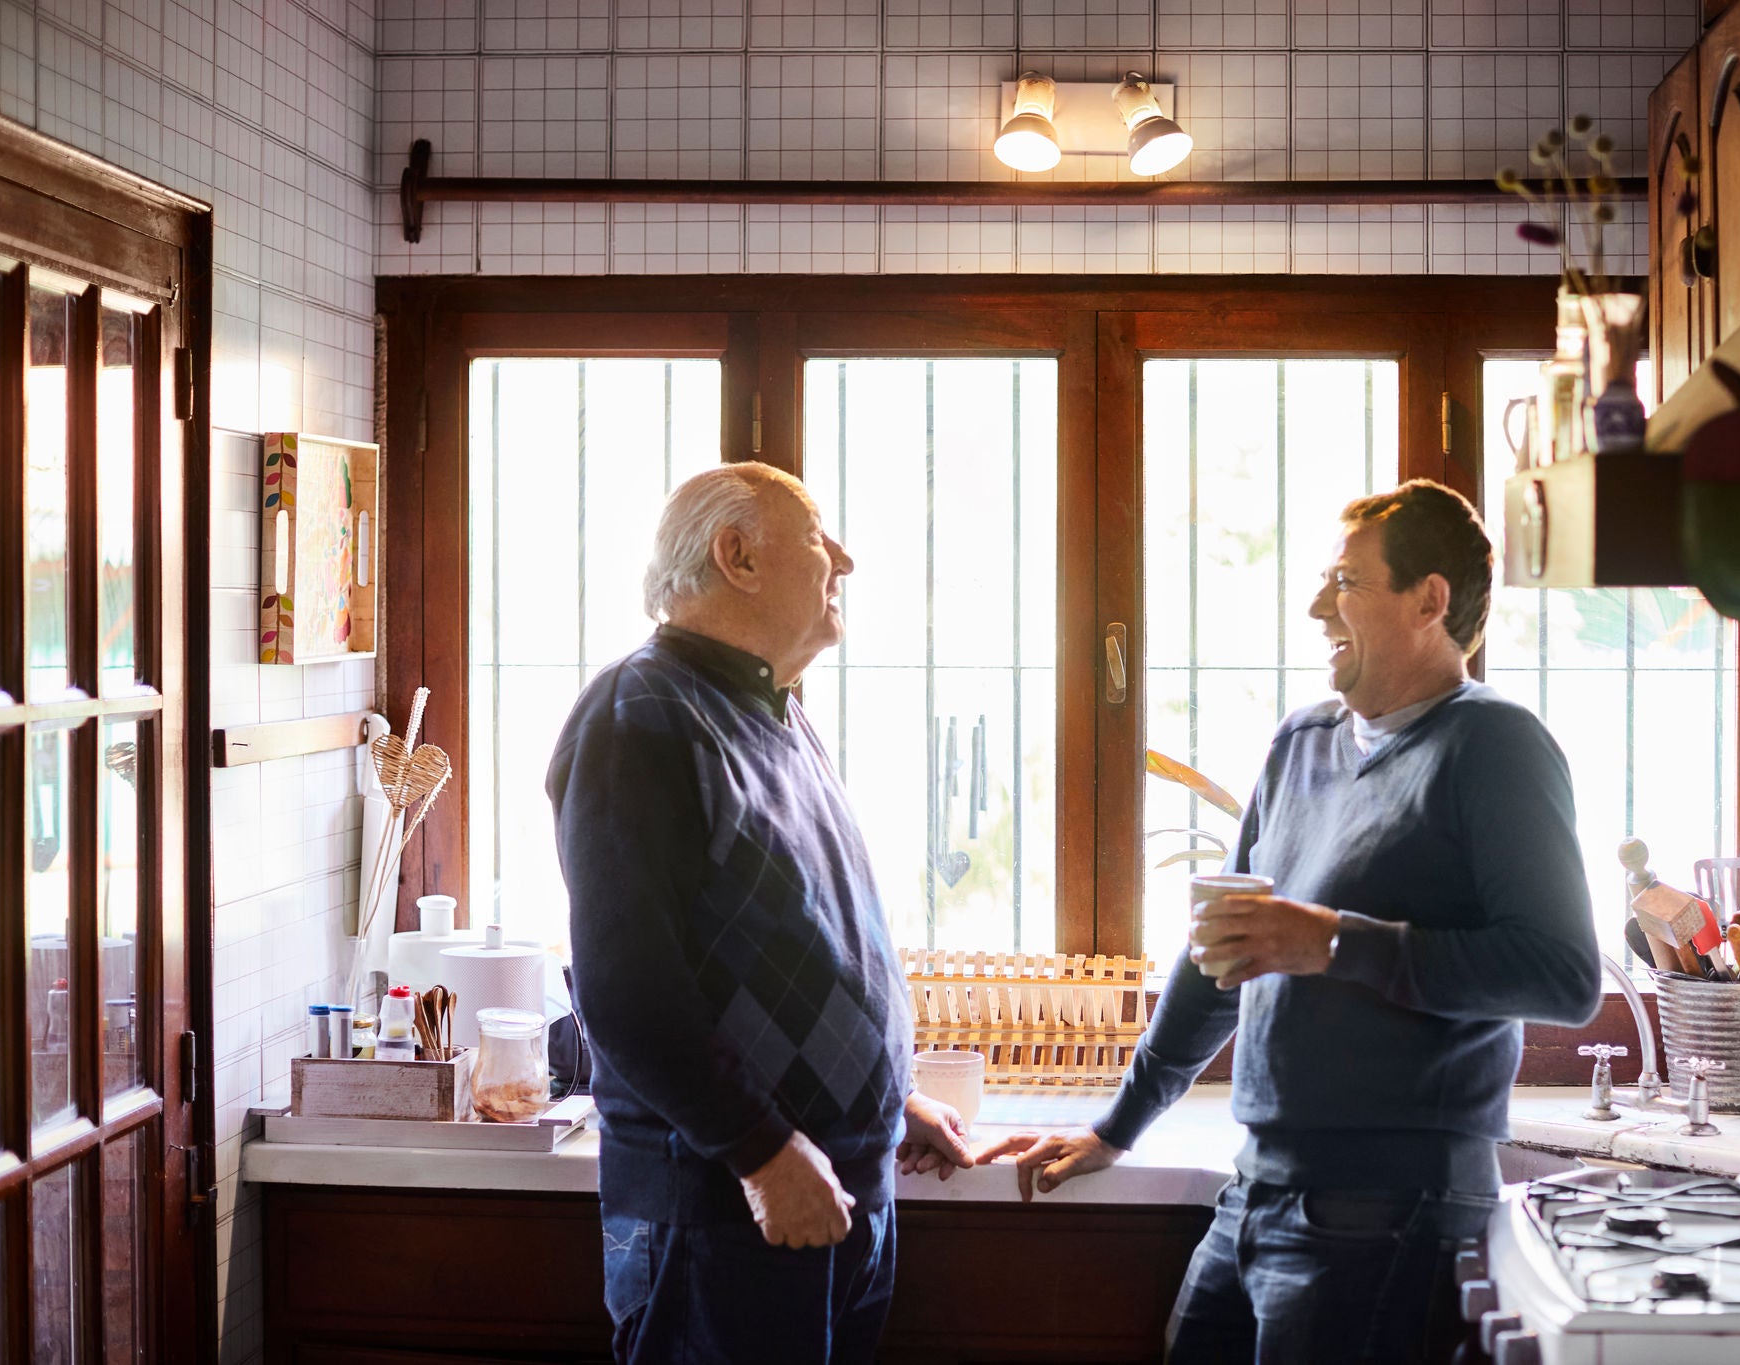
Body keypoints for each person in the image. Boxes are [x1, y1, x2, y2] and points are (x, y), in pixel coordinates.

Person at [978, 480, 1602, 1363]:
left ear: (1431, 600)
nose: (1317, 607)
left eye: (1346, 582)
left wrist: (1335, 941)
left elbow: (1563, 976)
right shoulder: (1302, 740)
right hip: (1258, 1190)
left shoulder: (1494, 745)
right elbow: (1219, 956)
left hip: (1393, 1207)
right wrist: (1118, 1124)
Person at [547, 461, 973, 1365]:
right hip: (727, 1210)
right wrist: (764, 1152)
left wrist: (889, 1102)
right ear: (736, 555)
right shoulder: (639, 714)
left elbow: (788, 937)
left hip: (827, 1186)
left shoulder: (769, 706)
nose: (845, 560)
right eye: (819, 538)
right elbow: (626, 987)